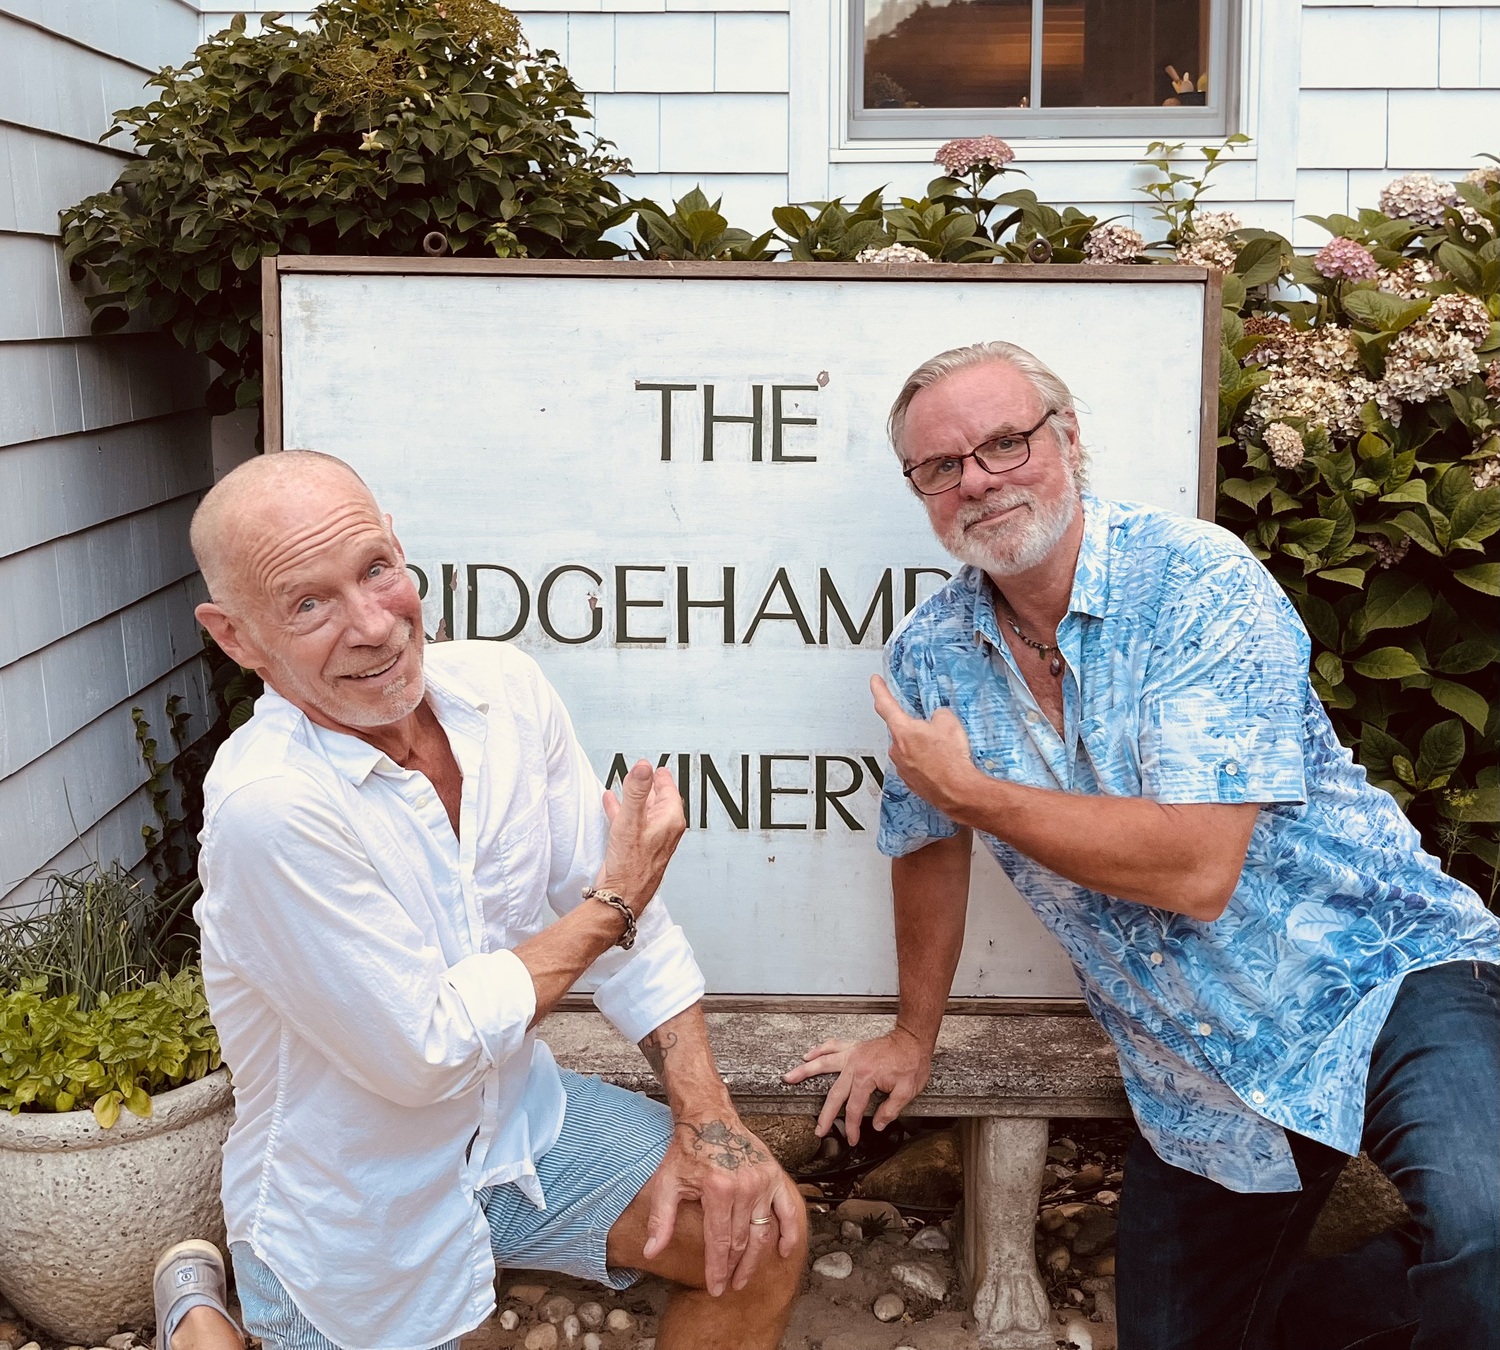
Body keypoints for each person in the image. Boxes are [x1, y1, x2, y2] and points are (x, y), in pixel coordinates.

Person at [784, 341, 1500, 1349]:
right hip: (1198, 1061)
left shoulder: (1196, 583)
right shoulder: (928, 656)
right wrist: (913, 1032)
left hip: (1381, 972)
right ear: (922, 494)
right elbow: (927, 839)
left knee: (1489, 1230)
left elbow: (1197, 869)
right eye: (941, 467)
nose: (978, 480)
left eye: (1004, 443)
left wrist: (979, 794)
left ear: (1068, 440)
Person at [153, 450, 805, 1350]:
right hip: (353, 1204)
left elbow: (632, 928)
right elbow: (425, 1053)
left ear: (399, 549)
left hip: (517, 1127)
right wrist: (609, 906)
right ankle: (200, 1317)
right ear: (236, 638)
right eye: (309, 604)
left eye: (376, 570)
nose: (376, 626)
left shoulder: (505, 692)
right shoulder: (269, 808)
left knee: (760, 1232)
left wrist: (709, 1119)